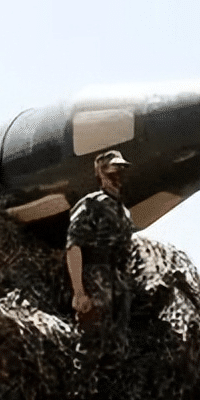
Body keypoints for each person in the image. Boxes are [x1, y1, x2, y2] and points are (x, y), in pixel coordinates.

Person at [66, 150, 135, 367]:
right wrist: (78, 291)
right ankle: (81, 398)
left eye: (122, 168)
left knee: (116, 345)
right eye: (114, 168)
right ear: (101, 173)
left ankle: (103, 398)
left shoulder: (124, 212)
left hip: (118, 282)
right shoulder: (91, 204)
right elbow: (74, 245)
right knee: (90, 341)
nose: (119, 173)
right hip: (96, 277)